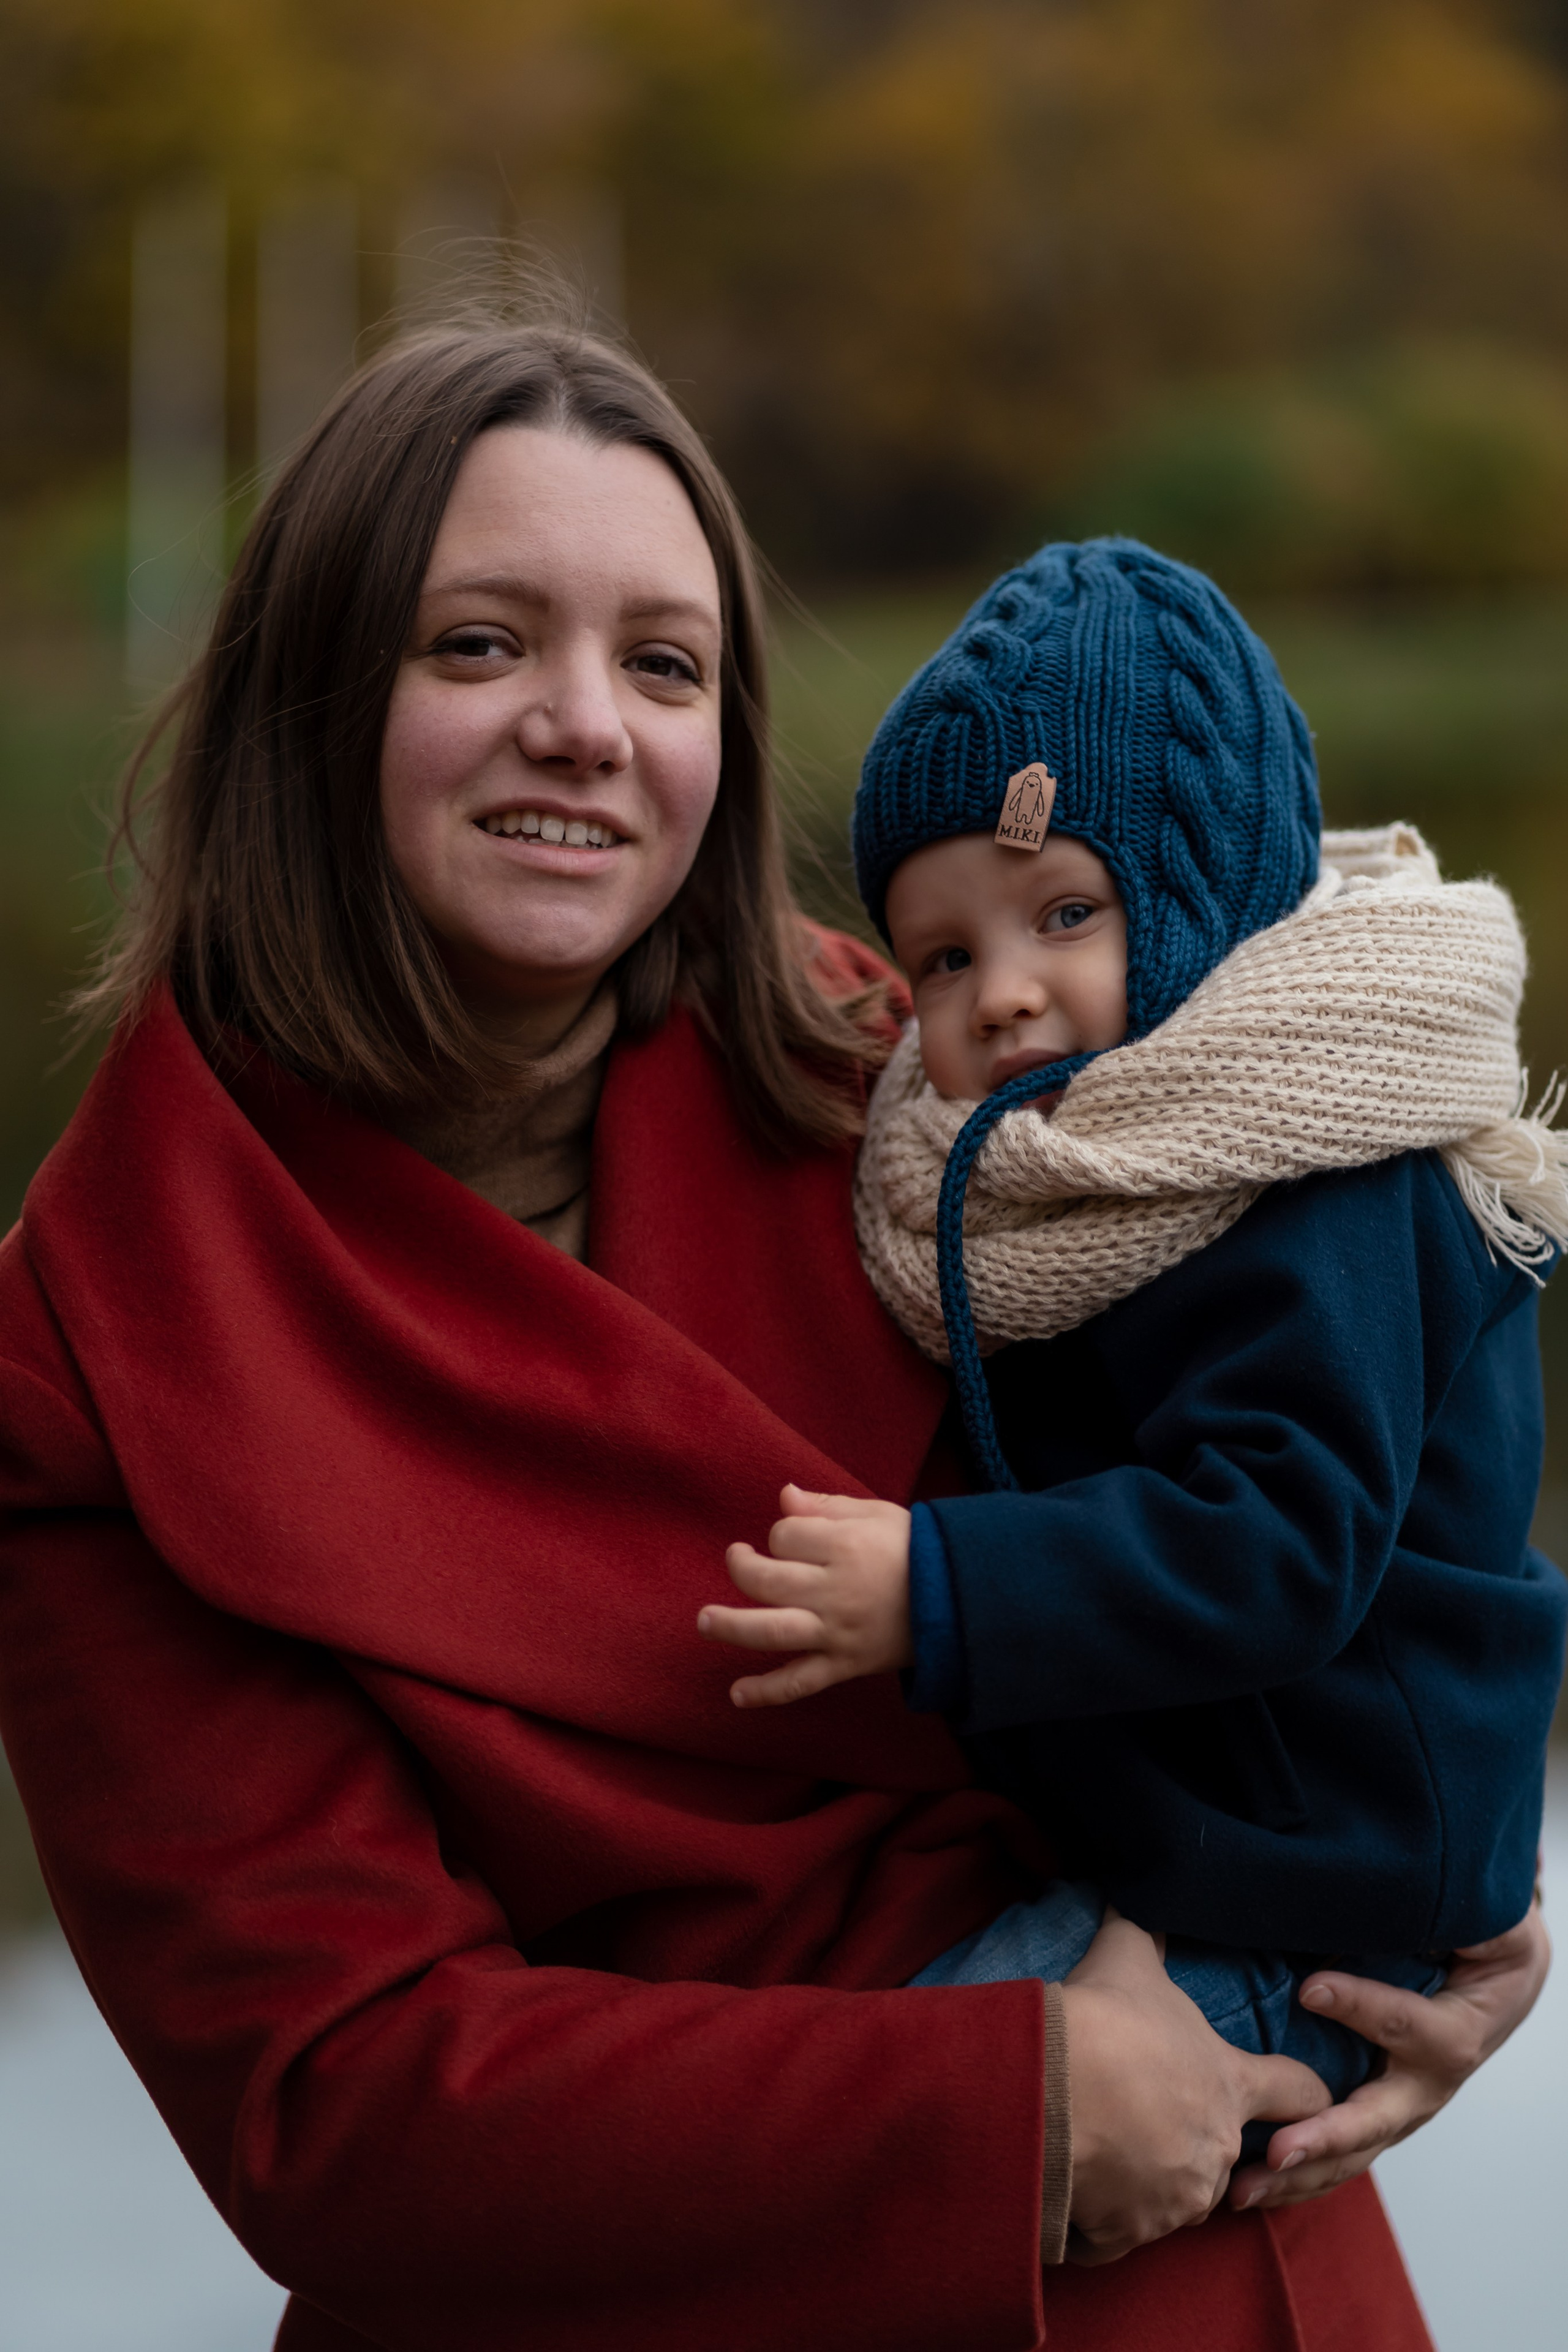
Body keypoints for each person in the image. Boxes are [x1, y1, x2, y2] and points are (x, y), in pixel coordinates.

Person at [0, 328, 1546, 2352]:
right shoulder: (103, 1341)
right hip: (681, 2293)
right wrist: (1026, 2108)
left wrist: (1446, 1895)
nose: (584, 725)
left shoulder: (920, 1081)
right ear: (313, 695)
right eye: (477, 645)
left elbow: (1346, 1457)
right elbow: (339, 2096)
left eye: (663, 664)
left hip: (1210, 2253)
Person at [698, 537, 1567, 2163]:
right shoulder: (1094, 1159)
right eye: (945, 957)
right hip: (1209, 1826)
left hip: (1331, 1874)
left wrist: (939, 1590)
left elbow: (1280, 1538)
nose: (1005, 997)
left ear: (1204, 897)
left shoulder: (1324, 1171)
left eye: (1068, 914)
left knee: (893, 2124)